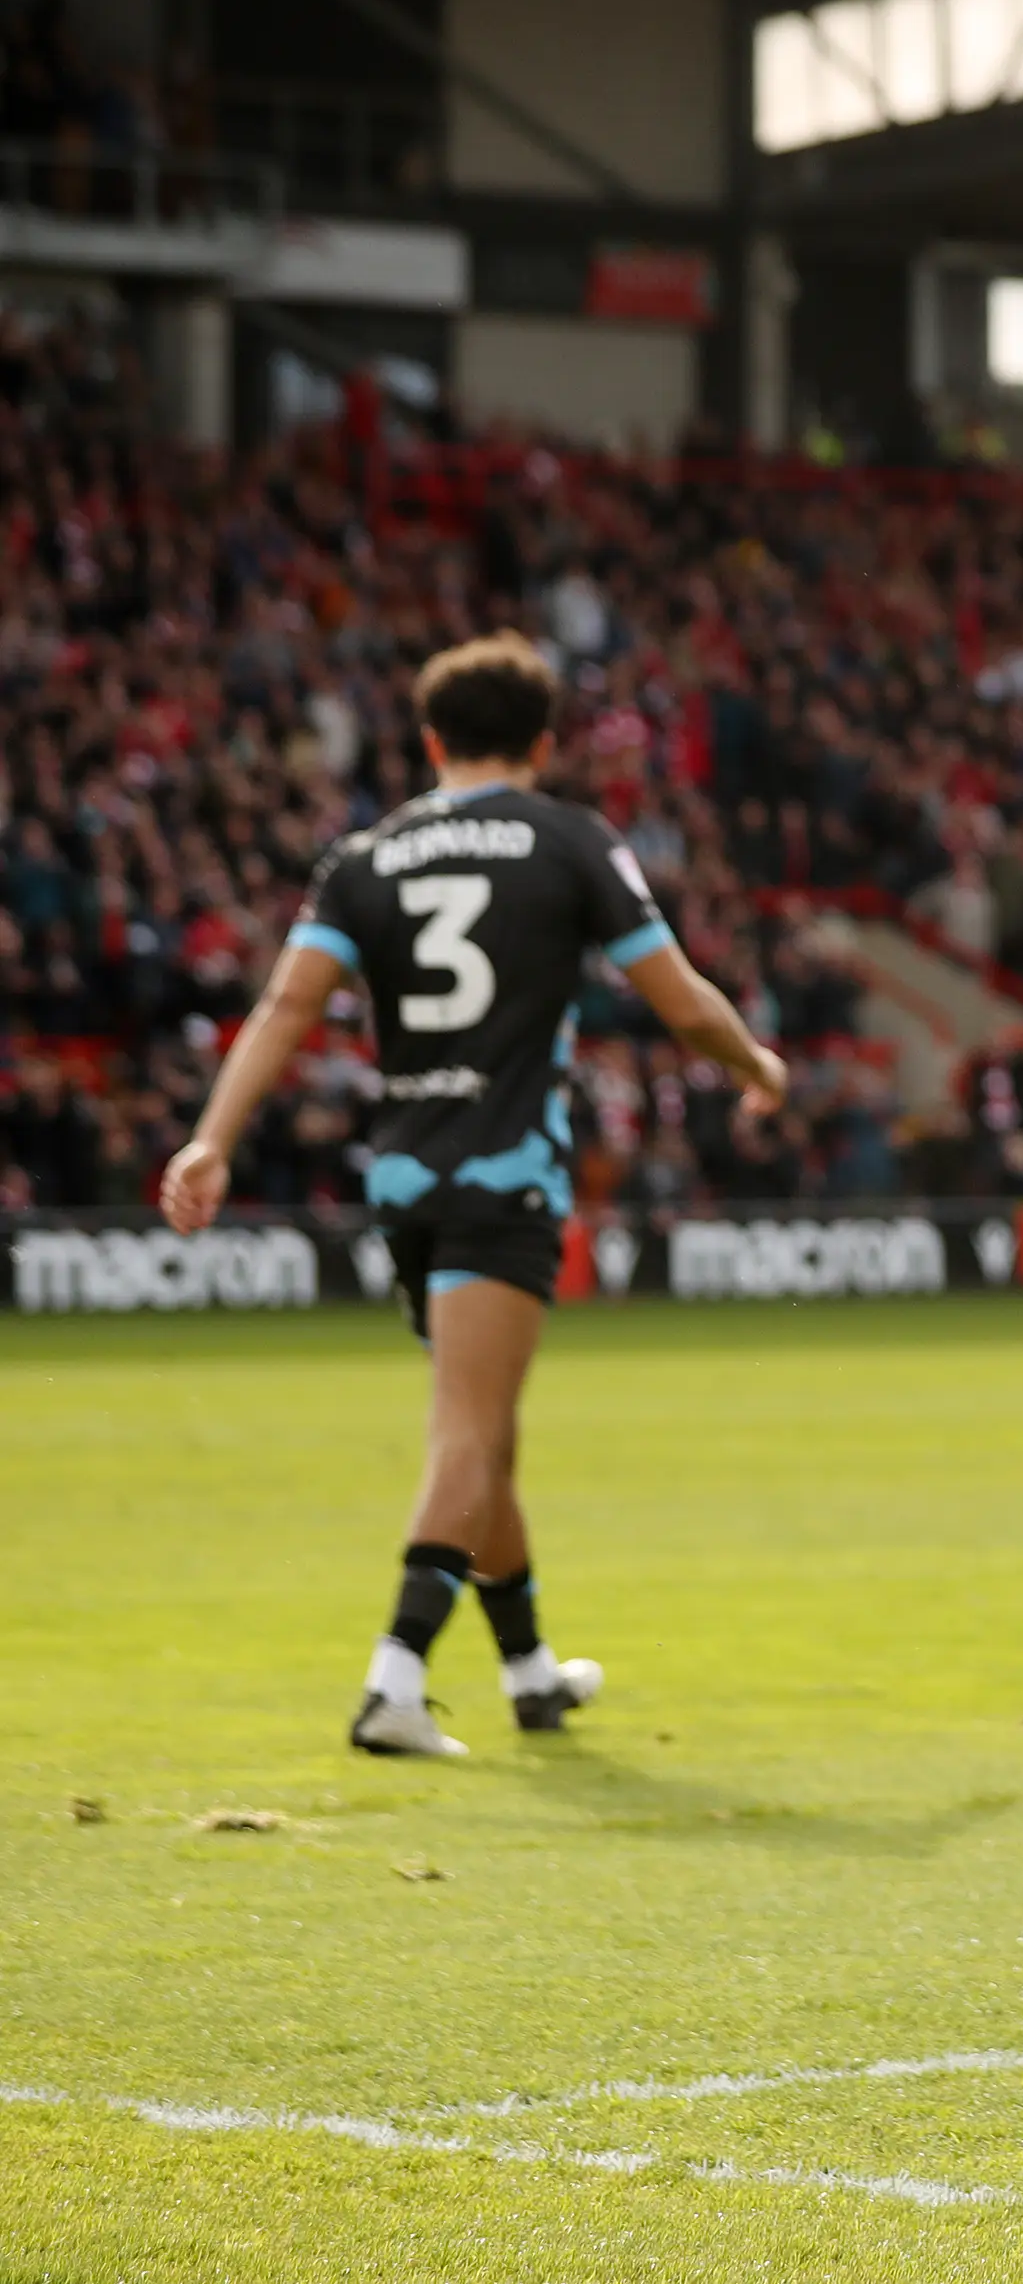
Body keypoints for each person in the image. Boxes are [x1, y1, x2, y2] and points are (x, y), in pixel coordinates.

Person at [157, 632, 787, 1758]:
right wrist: (760, 1069)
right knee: (468, 1432)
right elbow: (683, 1004)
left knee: (485, 1441)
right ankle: (394, 1680)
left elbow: (287, 1009)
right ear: (543, 745)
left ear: (432, 740)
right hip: (507, 1175)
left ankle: (532, 1672)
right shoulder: (572, 840)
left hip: (406, 1178)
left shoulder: (367, 855)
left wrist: (212, 1141)